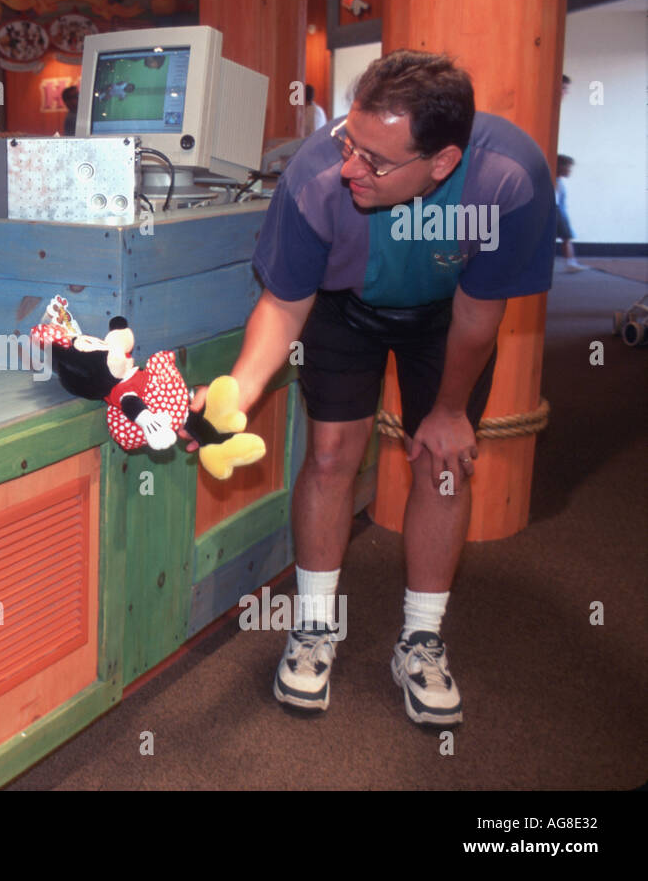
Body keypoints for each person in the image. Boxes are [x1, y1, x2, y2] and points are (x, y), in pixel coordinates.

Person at [189, 50, 554, 727]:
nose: (351, 166)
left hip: (445, 316)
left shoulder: (508, 180)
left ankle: (421, 638)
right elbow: (284, 306)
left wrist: (448, 411)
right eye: (351, 143)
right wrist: (236, 392)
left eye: (377, 162)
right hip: (341, 307)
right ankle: (317, 627)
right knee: (330, 454)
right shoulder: (316, 174)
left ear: (442, 163)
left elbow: (479, 315)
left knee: (442, 464)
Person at [554, 154, 586, 272]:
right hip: (554, 210)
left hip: (557, 210)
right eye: (568, 167)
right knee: (566, 237)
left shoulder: (558, 182)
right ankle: (571, 263)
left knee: (566, 237)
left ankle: (571, 262)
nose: (569, 170)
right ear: (559, 167)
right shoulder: (554, 182)